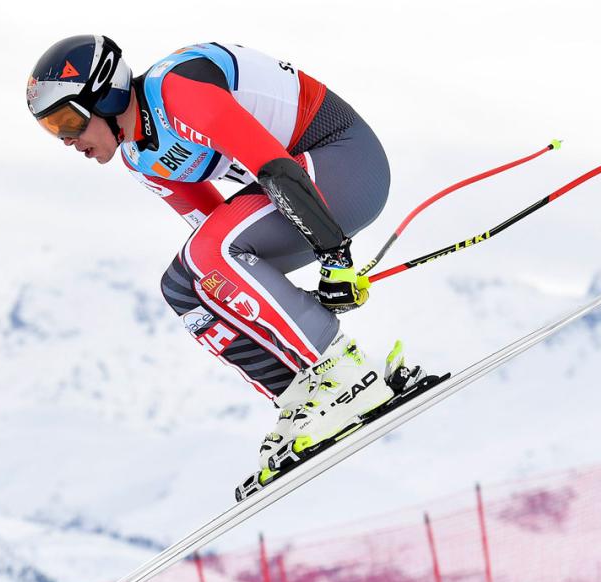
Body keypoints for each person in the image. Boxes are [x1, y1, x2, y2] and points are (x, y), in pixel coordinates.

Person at [26, 36, 427, 485]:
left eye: (67, 121)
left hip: (343, 162)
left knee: (207, 255)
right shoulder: (141, 158)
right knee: (183, 285)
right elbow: (212, 241)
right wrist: (273, 295)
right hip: (306, 196)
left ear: (105, 95)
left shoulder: (176, 90)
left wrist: (335, 260)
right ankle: (302, 393)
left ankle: (346, 373)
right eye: (52, 129)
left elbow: (274, 167)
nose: (66, 140)